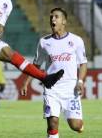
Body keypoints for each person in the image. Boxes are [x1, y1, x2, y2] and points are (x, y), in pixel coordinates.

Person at [21, 7, 87, 138]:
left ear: (64, 21)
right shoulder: (44, 42)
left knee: (76, 125)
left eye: (56, 16)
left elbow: (83, 63)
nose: (52, 19)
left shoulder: (76, 41)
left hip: (70, 88)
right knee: (52, 122)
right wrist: (26, 82)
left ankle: (78, 125)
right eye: (51, 17)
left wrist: (80, 81)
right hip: (52, 88)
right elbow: (35, 65)